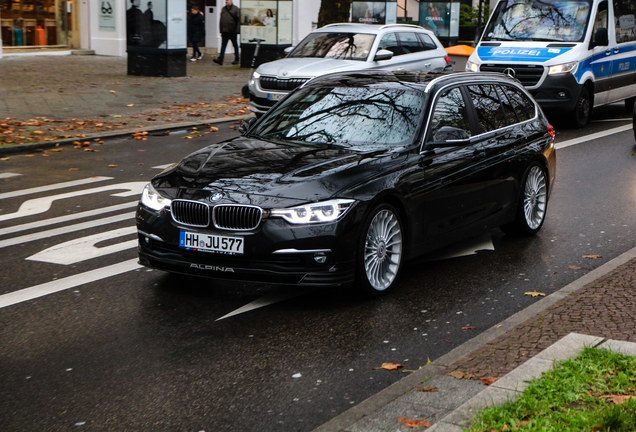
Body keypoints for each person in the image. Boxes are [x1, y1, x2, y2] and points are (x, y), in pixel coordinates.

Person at [214, 0, 240, 65]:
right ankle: (220, 59)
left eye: (228, 0)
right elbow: (221, 20)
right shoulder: (223, 9)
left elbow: (239, 20)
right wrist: (221, 30)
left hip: (232, 31)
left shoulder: (236, 9)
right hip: (225, 31)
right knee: (223, 45)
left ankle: (237, 58)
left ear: (231, 1)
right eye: (226, 0)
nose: (226, 1)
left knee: (235, 45)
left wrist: (237, 29)